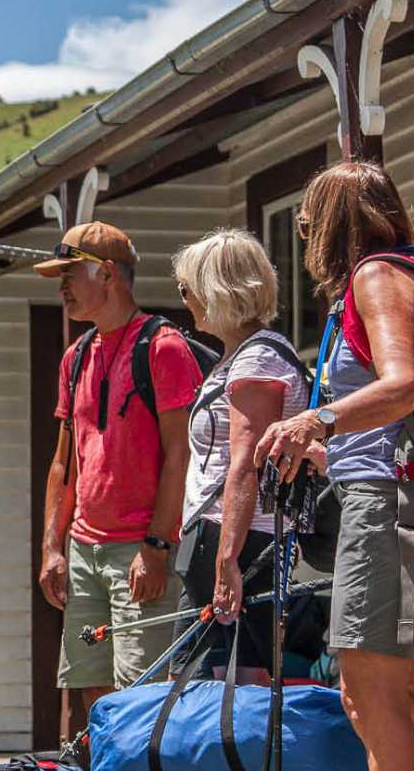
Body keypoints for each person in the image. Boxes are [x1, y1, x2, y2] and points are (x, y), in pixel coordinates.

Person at [253, 162, 414, 771]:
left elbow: (401, 387)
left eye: (305, 225)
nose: (303, 238)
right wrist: (333, 451)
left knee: (367, 693)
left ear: (330, 226)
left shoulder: (376, 278)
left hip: (385, 505)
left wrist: (314, 422)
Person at [35, 221, 202, 733]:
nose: (61, 285)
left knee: (142, 693)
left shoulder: (164, 347)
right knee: (94, 689)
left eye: (69, 273)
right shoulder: (76, 356)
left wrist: (156, 545)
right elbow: (65, 463)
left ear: (107, 274)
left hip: (142, 551)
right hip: (83, 550)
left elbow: (183, 456)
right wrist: (52, 547)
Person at [168, 229, 313, 684]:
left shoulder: (258, 362)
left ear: (216, 290)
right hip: (219, 535)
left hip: (243, 540)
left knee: (219, 680)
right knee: (198, 677)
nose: (183, 297)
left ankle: (227, 758)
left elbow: (245, 463)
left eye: (187, 286)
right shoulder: (239, 357)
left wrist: (228, 557)